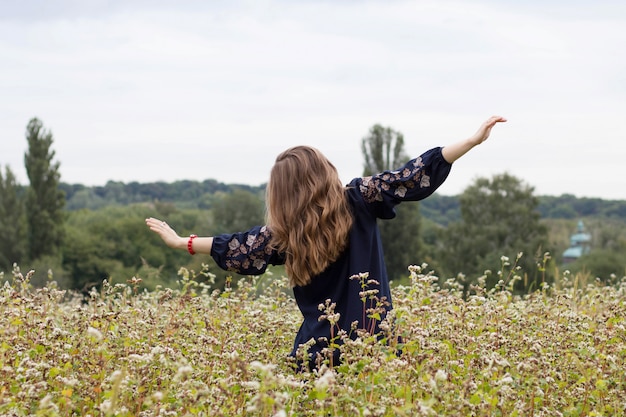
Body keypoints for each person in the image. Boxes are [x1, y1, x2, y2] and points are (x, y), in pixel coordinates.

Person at [146, 115, 507, 371]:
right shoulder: (361, 198)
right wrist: (471, 142)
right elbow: (413, 175)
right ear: (324, 171)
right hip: (374, 349)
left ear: (282, 192)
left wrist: (183, 243)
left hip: (315, 356)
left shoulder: (282, 234)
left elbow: (237, 247)